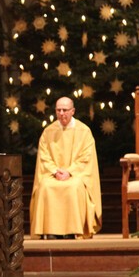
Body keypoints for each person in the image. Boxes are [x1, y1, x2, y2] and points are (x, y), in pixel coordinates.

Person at [30, 97, 102, 240]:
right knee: (45, 186)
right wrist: (55, 171)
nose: (62, 113)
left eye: (65, 110)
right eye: (59, 110)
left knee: (74, 186)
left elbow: (86, 157)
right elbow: (44, 157)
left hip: (75, 175)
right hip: (53, 174)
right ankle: (50, 230)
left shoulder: (84, 131)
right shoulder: (48, 132)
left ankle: (72, 230)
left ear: (73, 111)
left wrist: (70, 171)